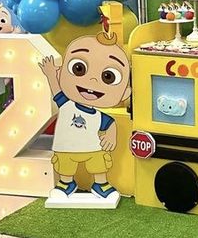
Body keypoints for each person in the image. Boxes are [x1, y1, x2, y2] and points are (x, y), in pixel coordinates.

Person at [39, 31, 131, 202]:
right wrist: (51, 74)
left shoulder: (98, 116)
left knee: (99, 164)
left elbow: (109, 123)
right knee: (65, 165)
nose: (93, 82)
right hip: (66, 148)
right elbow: (56, 91)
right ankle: (66, 183)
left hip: (93, 148)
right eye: (79, 68)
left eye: (108, 77)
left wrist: (111, 135)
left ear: (125, 91)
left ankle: (101, 184)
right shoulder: (66, 105)